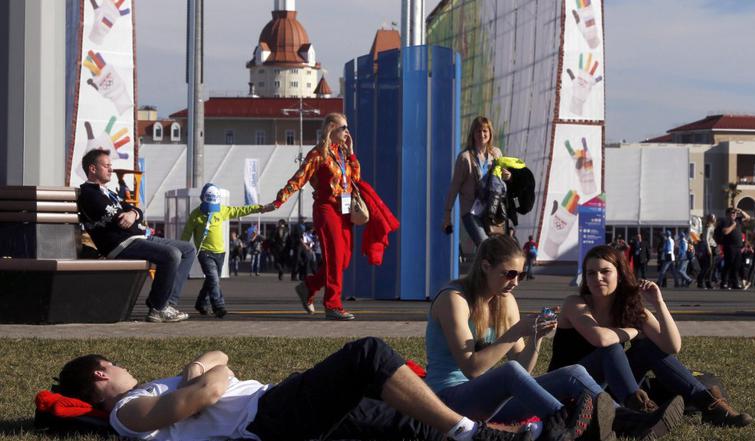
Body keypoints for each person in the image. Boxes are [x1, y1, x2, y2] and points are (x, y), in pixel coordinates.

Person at [55, 338, 535, 441]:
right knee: (367, 355)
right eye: (114, 364)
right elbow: (208, 392)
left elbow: (219, 355)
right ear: (100, 374)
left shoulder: (150, 390)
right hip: (267, 418)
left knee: (404, 423)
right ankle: (470, 432)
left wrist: (197, 367)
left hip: (275, 405)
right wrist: (204, 377)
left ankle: (508, 436)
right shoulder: (127, 412)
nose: (123, 366)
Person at [425, 234, 614, 440]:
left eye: (521, 275)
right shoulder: (454, 299)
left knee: (574, 372)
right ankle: (563, 425)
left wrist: (536, 336)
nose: (515, 282)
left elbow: (522, 369)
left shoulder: (505, 300)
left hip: (490, 403)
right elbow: (471, 368)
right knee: (509, 371)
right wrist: (516, 331)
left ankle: (621, 418)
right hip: (448, 402)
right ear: (486, 266)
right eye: (509, 274)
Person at [549, 245, 752, 433]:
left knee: (646, 348)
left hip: (606, 389)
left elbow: (672, 346)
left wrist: (658, 303)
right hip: (569, 389)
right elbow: (600, 339)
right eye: (591, 273)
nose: (597, 278)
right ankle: (641, 414)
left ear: (619, 275)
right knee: (611, 349)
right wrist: (634, 331)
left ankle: (710, 406)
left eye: (605, 271)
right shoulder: (575, 303)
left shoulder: (628, 309)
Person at [77, 149, 194, 323]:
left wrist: (133, 214)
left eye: (111, 165)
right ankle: (158, 308)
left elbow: (134, 210)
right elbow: (121, 220)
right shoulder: (90, 194)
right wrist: (132, 216)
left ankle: (165, 303)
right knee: (172, 254)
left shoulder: (108, 192)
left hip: (137, 238)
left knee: (188, 249)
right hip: (121, 244)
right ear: (93, 169)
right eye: (107, 166)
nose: (111, 169)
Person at [261, 113, 359, 320]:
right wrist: (278, 201)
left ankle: (309, 286)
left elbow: (355, 180)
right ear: (331, 128)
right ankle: (333, 305)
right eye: (343, 128)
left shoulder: (342, 152)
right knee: (334, 258)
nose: (347, 132)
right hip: (326, 209)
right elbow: (298, 179)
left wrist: (351, 154)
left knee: (344, 260)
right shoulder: (317, 154)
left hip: (344, 210)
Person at [180, 183, 265, 318]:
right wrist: (181, 250)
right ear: (202, 199)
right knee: (214, 279)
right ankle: (219, 306)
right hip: (204, 252)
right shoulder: (195, 215)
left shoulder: (222, 210)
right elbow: (186, 234)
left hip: (220, 253)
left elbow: (240, 210)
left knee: (211, 280)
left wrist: (259, 208)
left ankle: (201, 303)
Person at [442, 116, 509, 247]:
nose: (482, 134)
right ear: (472, 134)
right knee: (484, 244)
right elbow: (454, 187)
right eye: (478, 131)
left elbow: (501, 180)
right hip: (471, 210)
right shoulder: (464, 158)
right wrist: (447, 215)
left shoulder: (496, 153)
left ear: (490, 133)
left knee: (496, 247)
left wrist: (507, 176)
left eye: (485, 131)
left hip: (491, 208)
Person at [717, 207, 749, 289]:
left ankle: (734, 282)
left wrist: (741, 211)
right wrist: (733, 225)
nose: (734, 214)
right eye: (732, 213)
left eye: (735, 213)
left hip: (738, 246)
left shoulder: (738, 220)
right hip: (729, 246)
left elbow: (748, 217)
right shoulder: (725, 221)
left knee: (737, 265)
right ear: (727, 214)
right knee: (729, 264)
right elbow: (725, 232)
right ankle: (724, 282)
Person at [697, 214, 716, 289]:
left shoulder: (712, 226)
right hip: (709, 247)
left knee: (711, 266)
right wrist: (708, 248)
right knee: (708, 266)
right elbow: (706, 238)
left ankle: (708, 282)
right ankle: (700, 280)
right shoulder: (708, 227)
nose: (714, 219)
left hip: (713, 246)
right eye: (713, 218)